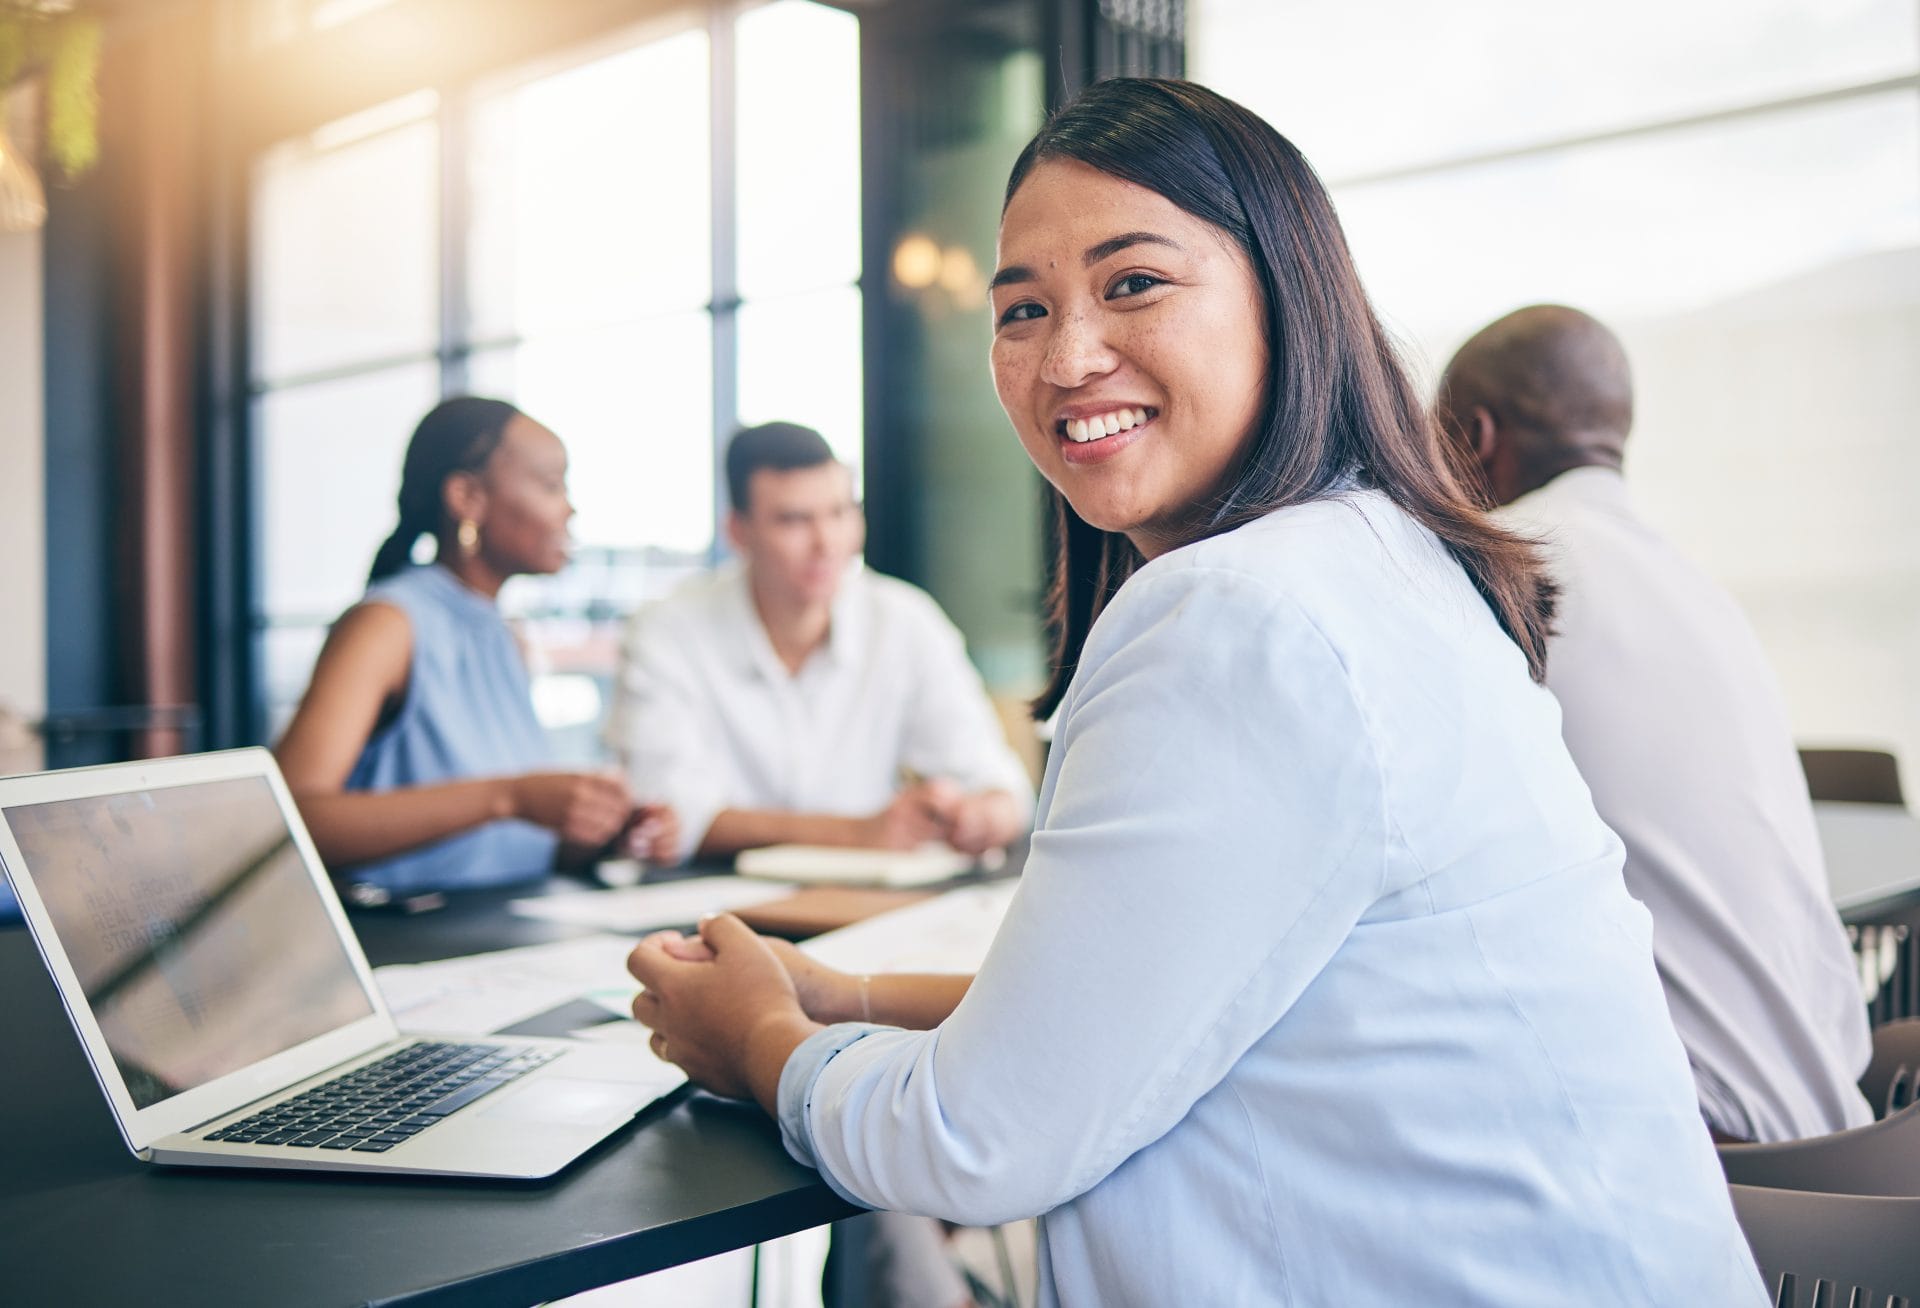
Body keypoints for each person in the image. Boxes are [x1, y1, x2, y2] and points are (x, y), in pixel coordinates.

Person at [624, 79, 1765, 1305]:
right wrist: (845, 995)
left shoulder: (1239, 615)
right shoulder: (1373, 556)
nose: (1066, 357)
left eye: (1134, 284)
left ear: (1285, 292)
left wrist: (762, 1044)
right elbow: (1201, 994)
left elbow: (977, 1138)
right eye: (1022, 309)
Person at [1436, 303, 1872, 1144]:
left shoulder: (1519, 567)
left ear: (1475, 439)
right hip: (1845, 1134)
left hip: (1716, 1162)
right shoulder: (1695, 587)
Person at [276, 397, 677, 898]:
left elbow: (502, 844)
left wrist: (603, 828)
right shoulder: (385, 625)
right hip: (405, 938)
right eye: (551, 485)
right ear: (467, 497)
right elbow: (290, 820)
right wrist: (510, 798)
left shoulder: (505, 636)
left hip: (502, 931)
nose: (569, 508)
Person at [605, 421, 1033, 865]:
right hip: (709, 901)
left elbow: (998, 784)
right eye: (794, 520)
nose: (827, 543)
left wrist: (980, 815)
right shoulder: (667, 631)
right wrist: (858, 833)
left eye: (840, 513)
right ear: (738, 530)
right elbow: (666, 814)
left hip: (860, 902)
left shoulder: (904, 620)